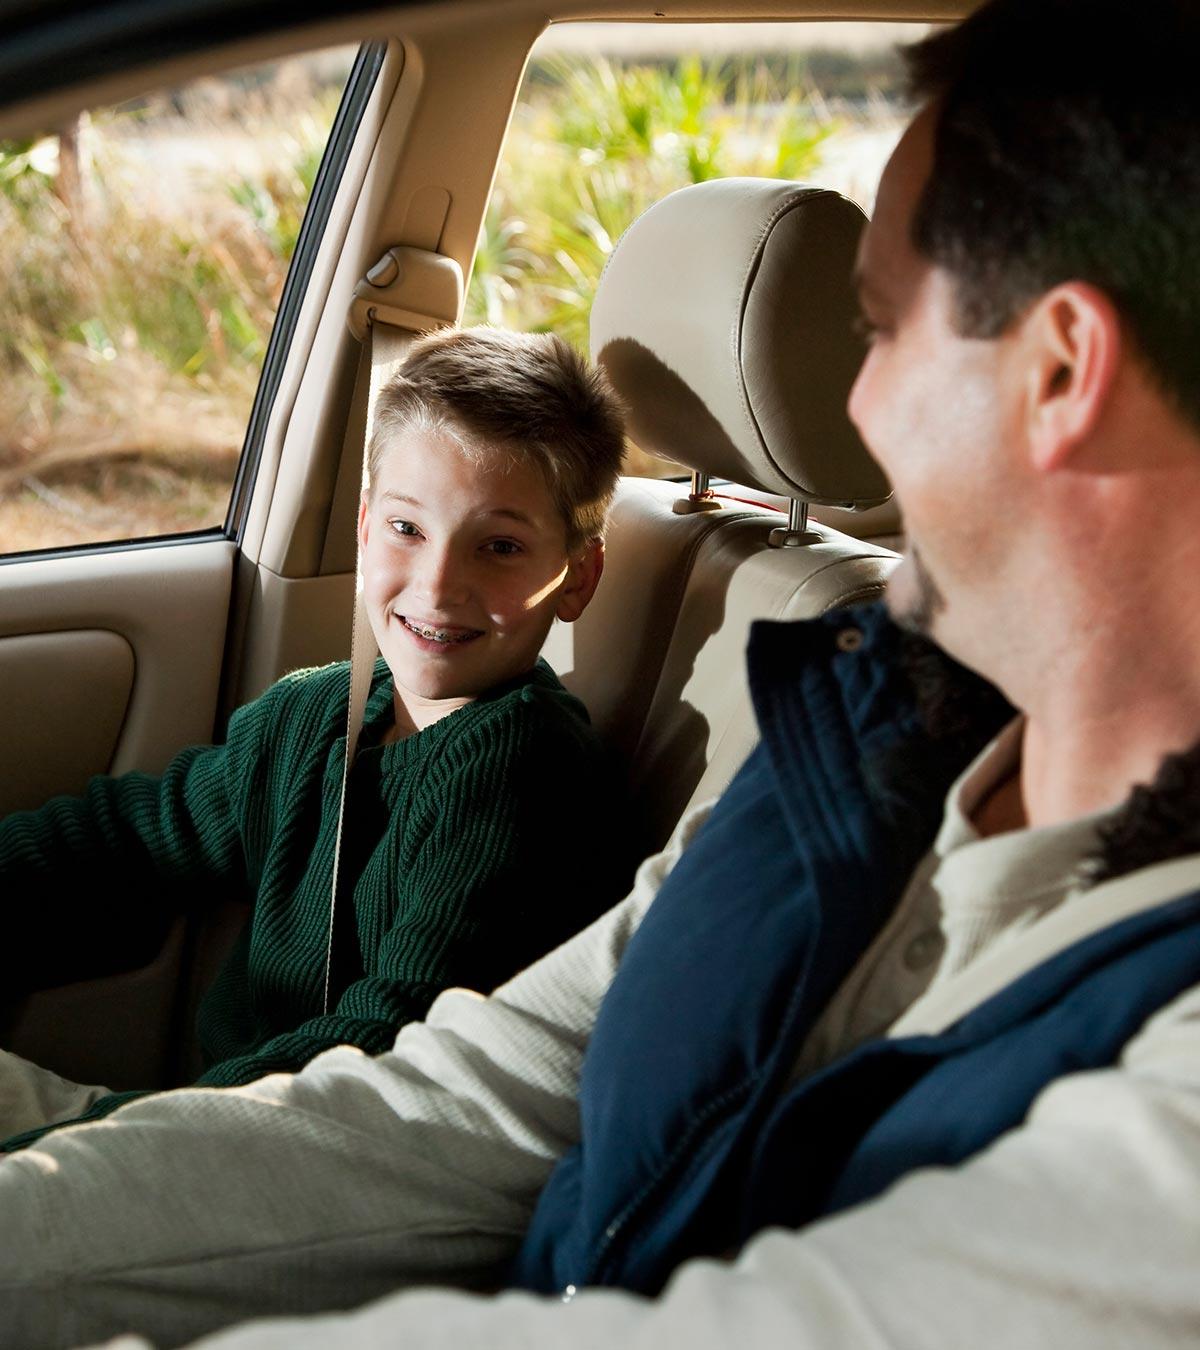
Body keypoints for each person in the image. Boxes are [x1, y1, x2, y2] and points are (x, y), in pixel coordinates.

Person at [4, 0, 1200, 1344]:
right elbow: (465, 1103)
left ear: (1060, 370)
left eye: (876, 329)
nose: (852, 410)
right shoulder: (862, 740)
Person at [0, 325, 633, 1152]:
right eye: (409, 529)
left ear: (576, 577)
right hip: (211, 1129)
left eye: (501, 547)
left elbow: (395, 1037)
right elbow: (128, 837)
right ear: (367, 529)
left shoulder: (522, 771)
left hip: (327, 1158)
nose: (439, 584)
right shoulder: (317, 716)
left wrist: (116, 1134)